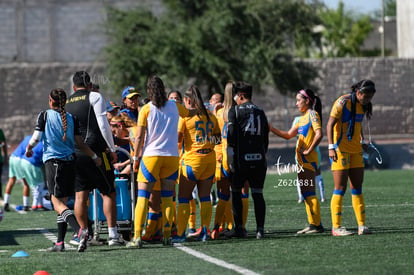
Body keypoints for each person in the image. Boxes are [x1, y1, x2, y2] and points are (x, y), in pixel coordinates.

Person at [26, 88, 102, 252]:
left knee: (57, 203)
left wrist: (29, 148)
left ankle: (80, 230)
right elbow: (80, 144)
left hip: (54, 163)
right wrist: (95, 157)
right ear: (65, 102)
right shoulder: (71, 118)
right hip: (70, 163)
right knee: (63, 203)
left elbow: (36, 138)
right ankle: (60, 243)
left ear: (50, 100)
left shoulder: (44, 115)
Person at [127, 75, 195, 248]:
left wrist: (135, 158)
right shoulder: (175, 106)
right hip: (172, 157)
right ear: (164, 89)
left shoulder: (146, 109)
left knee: (143, 196)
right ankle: (166, 236)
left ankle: (137, 237)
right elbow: (189, 113)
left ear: (149, 91)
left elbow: (140, 136)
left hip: (151, 156)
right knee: (167, 198)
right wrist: (203, 110)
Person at [65, 71, 124, 246]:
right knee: (108, 191)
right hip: (97, 152)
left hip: (76, 153)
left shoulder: (67, 102)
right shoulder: (95, 97)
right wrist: (112, 149)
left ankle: (84, 235)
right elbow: (104, 125)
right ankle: (113, 235)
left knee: (80, 196)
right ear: (89, 85)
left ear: (74, 87)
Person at [269, 89, 324, 234]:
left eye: (299, 100)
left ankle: (317, 225)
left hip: (308, 160)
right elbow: (288, 135)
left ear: (307, 101)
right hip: (301, 161)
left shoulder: (312, 114)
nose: (296, 103)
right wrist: (270, 128)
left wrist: (309, 150)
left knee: (309, 192)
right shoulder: (301, 119)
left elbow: (319, 134)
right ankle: (313, 223)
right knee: (306, 193)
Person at [327, 79, 376, 236]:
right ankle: (336, 227)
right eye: (366, 96)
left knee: (357, 187)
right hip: (340, 150)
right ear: (359, 93)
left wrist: (362, 141)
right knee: (340, 188)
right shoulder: (342, 102)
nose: (368, 100)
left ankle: (362, 225)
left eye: (370, 97)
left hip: (356, 151)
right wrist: (331, 147)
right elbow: (329, 125)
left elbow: (357, 124)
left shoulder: (364, 105)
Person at [173, 85, 221, 243]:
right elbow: (218, 139)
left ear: (187, 100)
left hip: (193, 161)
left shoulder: (186, 117)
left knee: (184, 198)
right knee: (205, 197)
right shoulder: (210, 116)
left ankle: (180, 234)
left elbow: (178, 140)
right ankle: (205, 232)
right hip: (209, 160)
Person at [227, 81, 269, 239]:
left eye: (236, 96)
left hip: (241, 159)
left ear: (241, 95)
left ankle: (239, 228)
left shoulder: (235, 111)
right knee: (258, 194)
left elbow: (231, 134)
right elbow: (265, 135)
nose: (235, 99)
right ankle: (260, 229)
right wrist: (262, 153)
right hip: (259, 160)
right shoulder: (260, 111)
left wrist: (231, 158)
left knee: (236, 192)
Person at [211, 82, 234, 239]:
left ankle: (216, 228)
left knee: (223, 194)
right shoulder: (237, 112)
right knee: (241, 193)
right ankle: (238, 227)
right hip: (236, 156)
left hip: (221, 157)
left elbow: (214, 137)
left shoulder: (219, 114)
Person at [291, 116, 326, 204]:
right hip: (302, 152)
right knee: (301, 175)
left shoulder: (314, 117)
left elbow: (319, 133)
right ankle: (301, 197)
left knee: (317, 173)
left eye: (299, 101)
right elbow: (293, 133)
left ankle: (322, 197)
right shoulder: (297, 119)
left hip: (313, 151)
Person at [3, 137, 34, 212]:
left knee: (11, 181)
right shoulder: (35, 141)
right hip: (19, 160)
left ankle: (6, 203)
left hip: (12, 157)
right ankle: (26, 205)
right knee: (26, 182)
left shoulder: (28, 137)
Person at [0, 128, 7, 199]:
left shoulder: (0, 131)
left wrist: (5, 157)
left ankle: (0, 196)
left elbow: (4, 144)